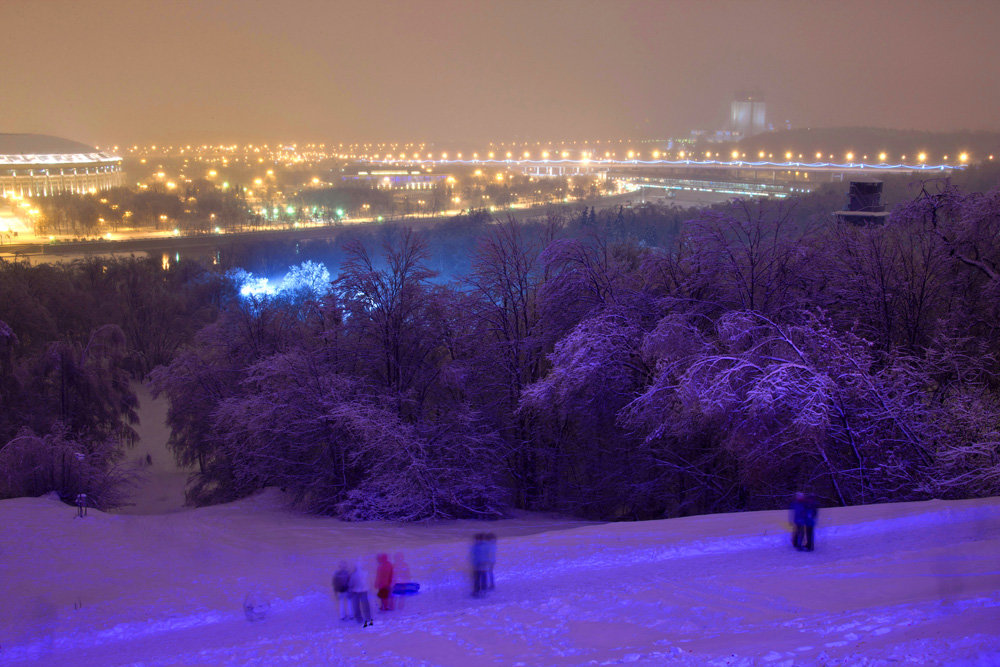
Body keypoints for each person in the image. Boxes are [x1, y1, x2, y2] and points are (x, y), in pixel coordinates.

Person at [349, 561, 373, 627]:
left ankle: (361, 619)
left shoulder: (354, 574)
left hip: (359, 591)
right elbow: (369, 581)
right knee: (363, 605)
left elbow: (351, 583)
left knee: (359, 605)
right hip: (360, 591)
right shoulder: (365, 573)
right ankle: (366, 618)